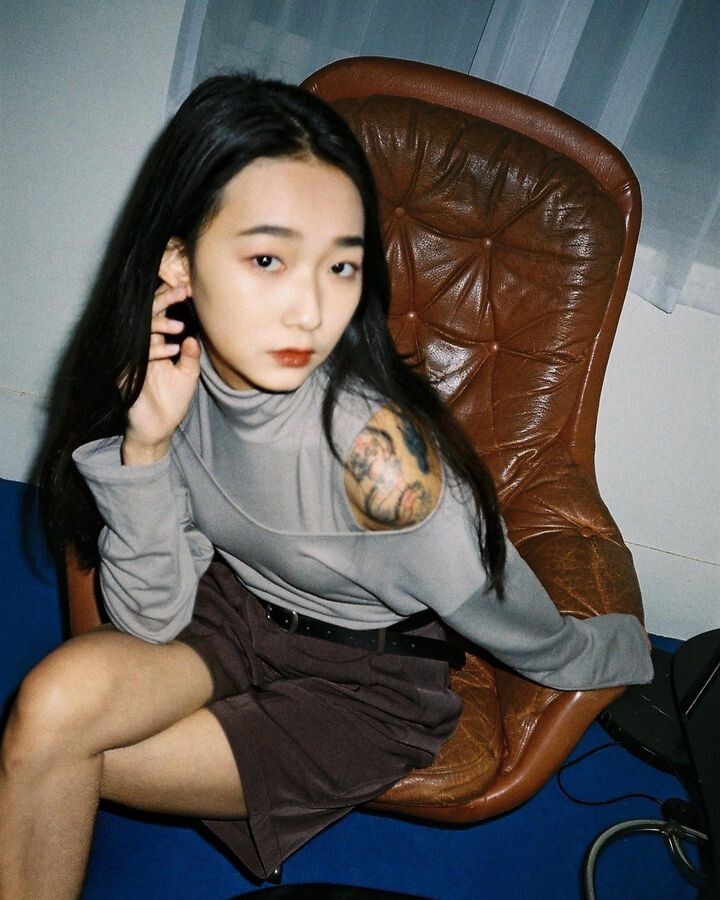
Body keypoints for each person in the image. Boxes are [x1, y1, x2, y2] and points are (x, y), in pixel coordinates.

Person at [0, 73, 653, 898]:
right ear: (178, 261)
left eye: (341, 265)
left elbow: (500, 607)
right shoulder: (161, 374)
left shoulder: (385, 464)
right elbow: (152, 617)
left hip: (367, 679)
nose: (312, 311)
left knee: (68, 756)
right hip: (233, 605)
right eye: (268, 259)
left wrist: (616, 651)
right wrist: (147, 447)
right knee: (47, 710)